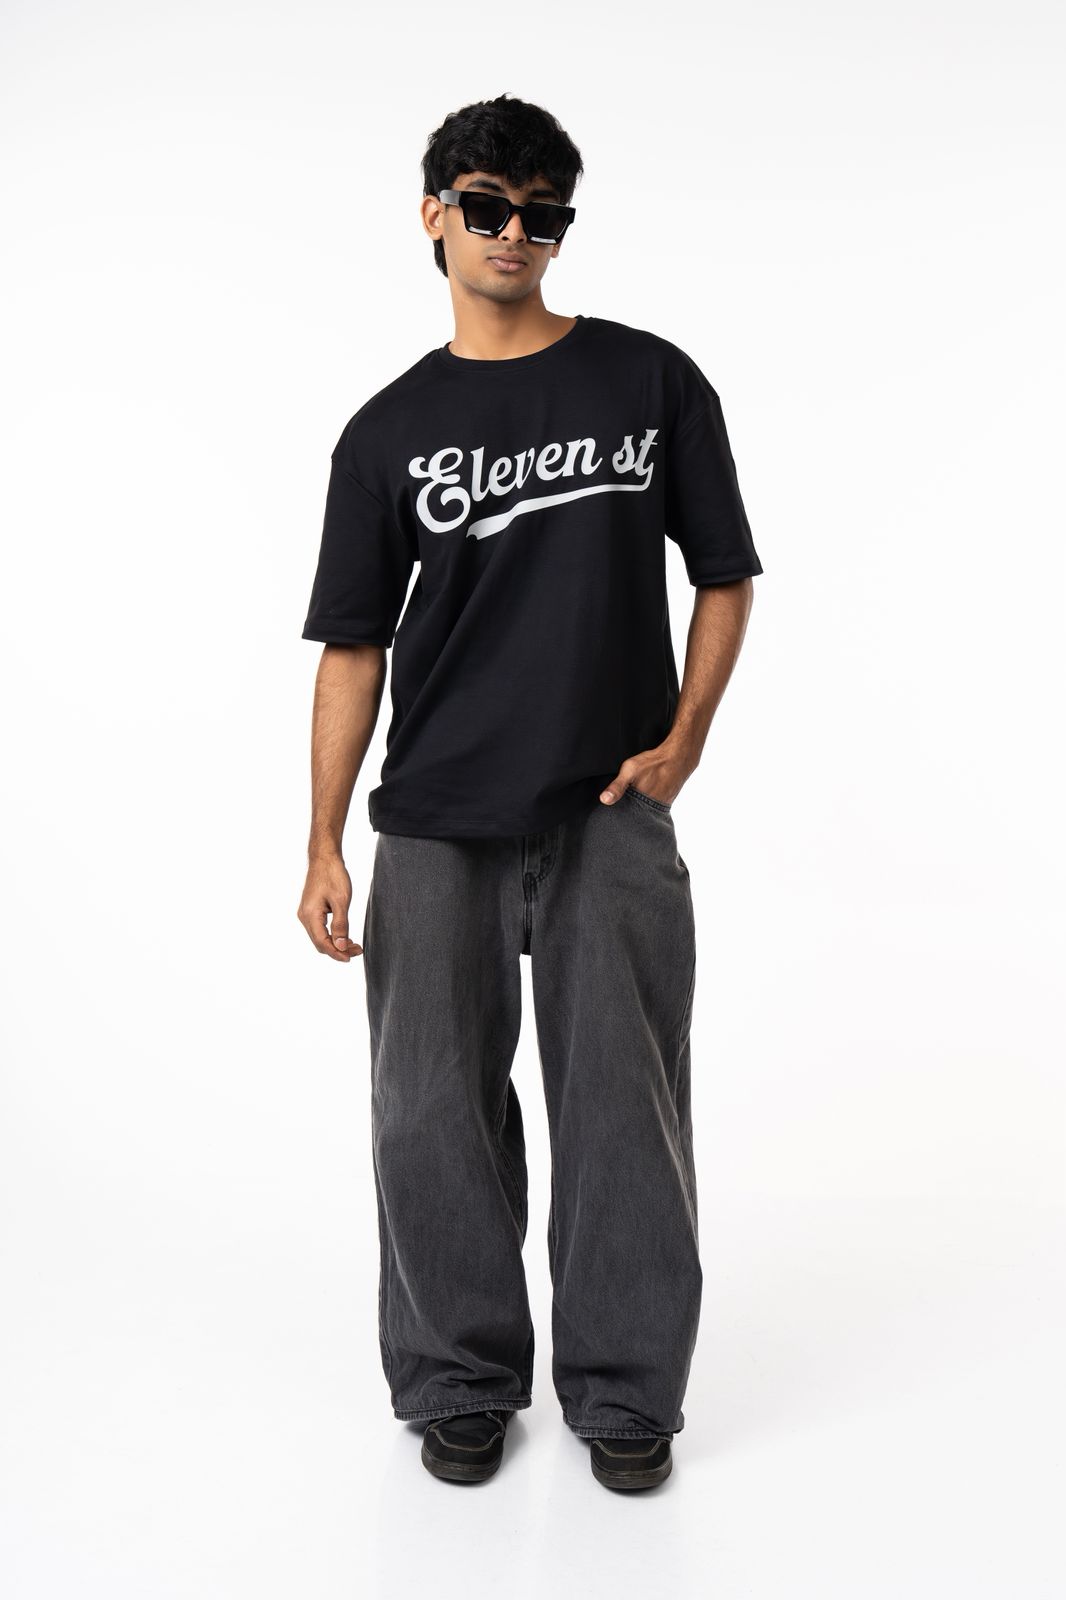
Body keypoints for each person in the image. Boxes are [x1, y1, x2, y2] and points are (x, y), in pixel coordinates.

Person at [296, 92, 763, 1492]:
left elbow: (725, 575)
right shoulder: (386, 432)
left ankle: (624, 1394)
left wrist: (683, 742)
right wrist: (321, 841)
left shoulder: (649, 383)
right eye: (490, 205)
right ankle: (460, 1379)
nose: (516, 232)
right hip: (436, 815)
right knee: (428, 1113)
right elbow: (352, 647)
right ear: (435, 215)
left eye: (543, 212)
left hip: (609, 810)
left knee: (626, 1112)